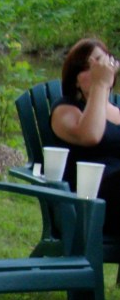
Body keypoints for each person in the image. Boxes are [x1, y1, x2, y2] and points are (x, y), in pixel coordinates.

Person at [51, 37, 120, 235]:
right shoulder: (65, 110)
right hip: (88, 203)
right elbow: (91, 136)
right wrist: (100, 86)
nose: (98, 71)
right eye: (90, 67)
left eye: (101, 64)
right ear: (76, 79)